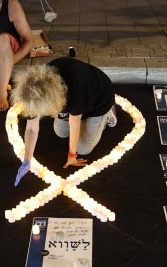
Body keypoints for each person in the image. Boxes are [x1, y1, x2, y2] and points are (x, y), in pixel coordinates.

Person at [11, 57, 116, 185]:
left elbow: (74, 122)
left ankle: (108, 113)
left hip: (98, 101)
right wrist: (27, 160)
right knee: (60, 132)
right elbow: (31, 129)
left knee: (82, 149)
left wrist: (72, 156)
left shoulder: (76, 87)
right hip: (75, 104)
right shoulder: (32, 92)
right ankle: (84, 117)